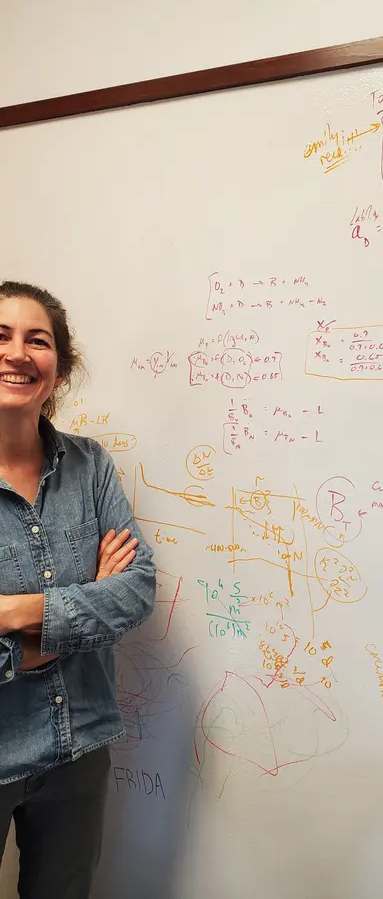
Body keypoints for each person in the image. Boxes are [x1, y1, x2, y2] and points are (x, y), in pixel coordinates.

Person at [0, 280, 156, 898]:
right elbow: (109, 603)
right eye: (0, 336)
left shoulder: (90, 466)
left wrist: (16, 612)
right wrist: (58, 633)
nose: (18, 353)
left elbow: (136, 588)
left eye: (37, 340)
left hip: (78, 746)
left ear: (59, 371)